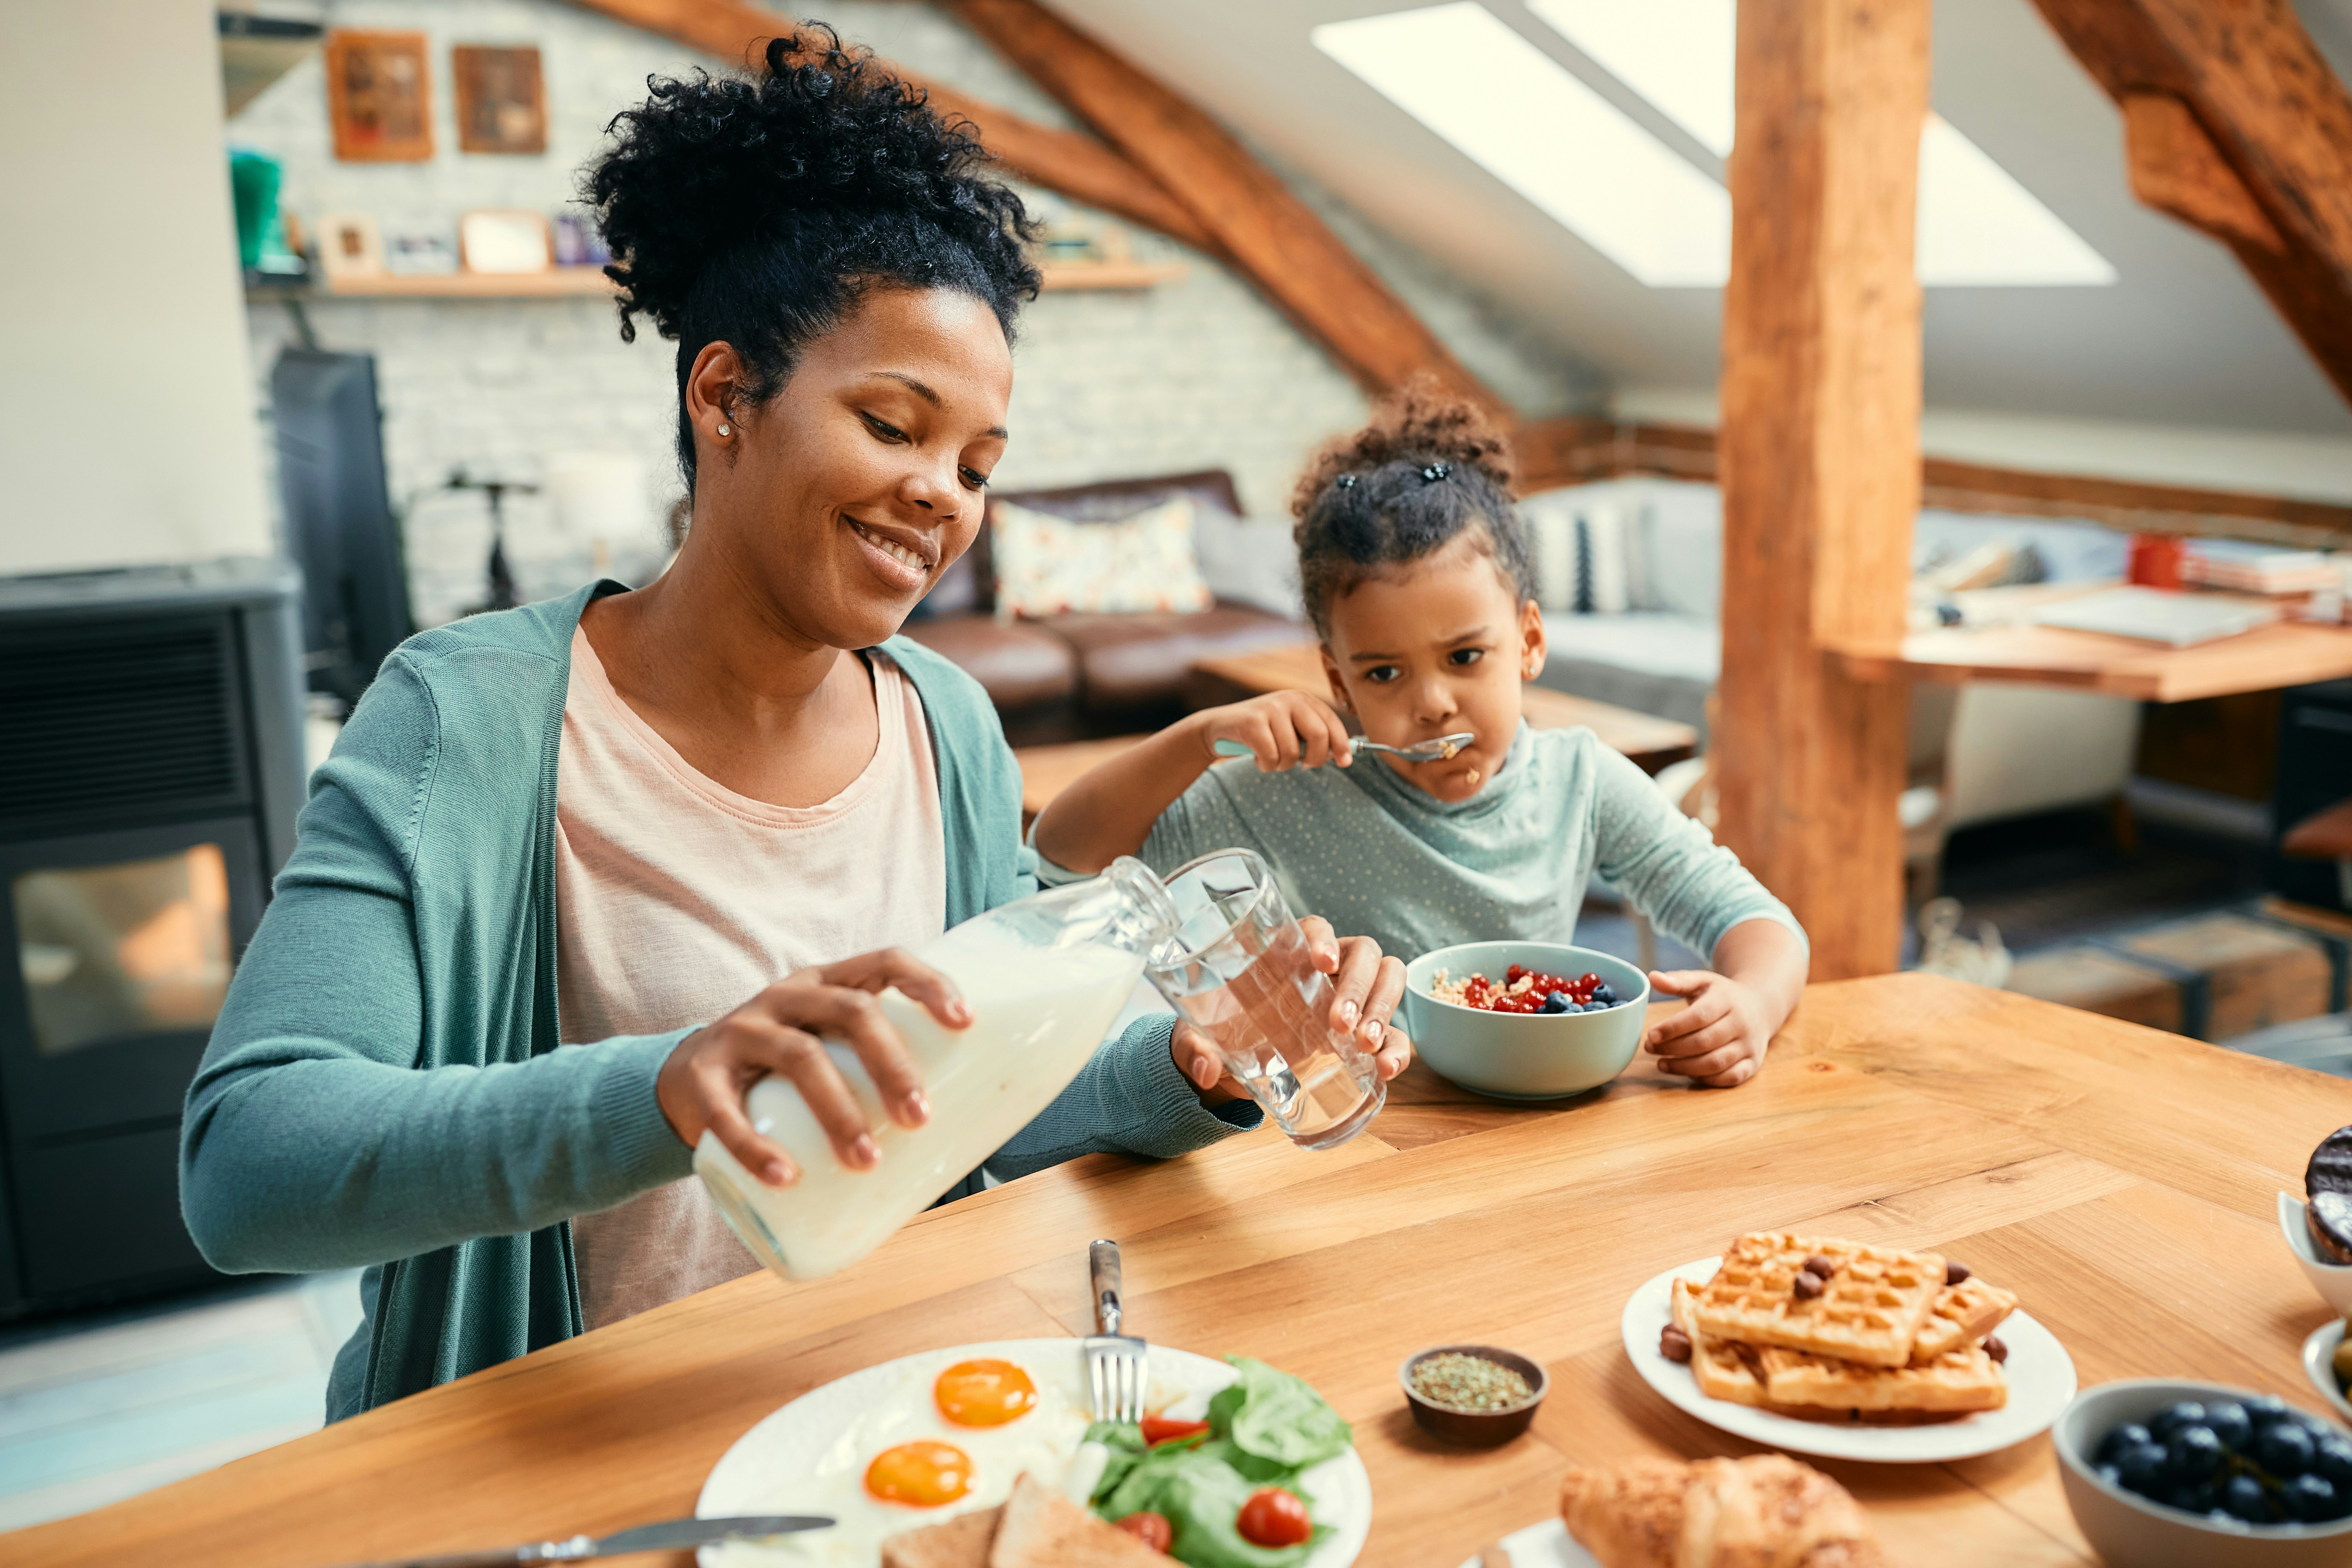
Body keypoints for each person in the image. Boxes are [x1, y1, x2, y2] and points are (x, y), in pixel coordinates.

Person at [181, 31, 1410, 1421]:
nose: (941, 493)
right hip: (559, 1453)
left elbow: (974, 1092)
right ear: (723, 397)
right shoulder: (458, 718)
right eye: (895, 422)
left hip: (888, 1420)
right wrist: (672, 1086)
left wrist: (1190, 1062)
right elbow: (246, 1165)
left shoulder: (948, 723)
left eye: (978, 463)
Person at [1032, 386, 1806, 1087]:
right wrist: (1195, 740)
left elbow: (1758, 921)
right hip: (1346, 1137)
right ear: (1338, 681)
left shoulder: (1581, 782)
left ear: (1530, 641)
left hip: (1525, 1133)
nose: (1433, 705)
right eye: (1383, 675)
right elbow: (1065, 860)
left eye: (1466, 657)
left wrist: (1755, 1003)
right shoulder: (1286, 788)